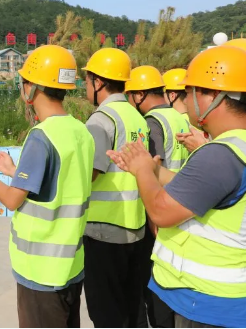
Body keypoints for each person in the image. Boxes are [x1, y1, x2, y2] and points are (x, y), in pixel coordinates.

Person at [107, 45, 246, 328]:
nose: (186, 100)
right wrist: (153, 170)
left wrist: (142, 170)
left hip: (206, 303)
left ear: (213, 95)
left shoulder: (219, 154)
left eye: (190, 91)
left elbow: (161, 212)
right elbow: (197, 190)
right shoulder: (235, 147)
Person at [0, 45, 94, 327]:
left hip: (41, 270)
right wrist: (13, 170)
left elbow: (11, 200)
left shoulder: (41, 136)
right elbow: (59, 181)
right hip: (71, 264)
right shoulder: (81, 130)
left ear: (32, 87)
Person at [81, 48, 149, 327]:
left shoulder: (101, 120)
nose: (86, 87)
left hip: (104, 231)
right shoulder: (136, 117)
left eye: (87, 81)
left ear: (98, 82)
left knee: (106, 313)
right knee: (133, 309)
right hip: (135, 226)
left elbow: (91, 173)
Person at [125, 66, 191, 328]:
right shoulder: (179, 117)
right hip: (183, 207)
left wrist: (153, 221)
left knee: (156, 292)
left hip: (162, 212)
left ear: (139, 94)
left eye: (130, 94)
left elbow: (153, 169)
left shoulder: (153, 121)